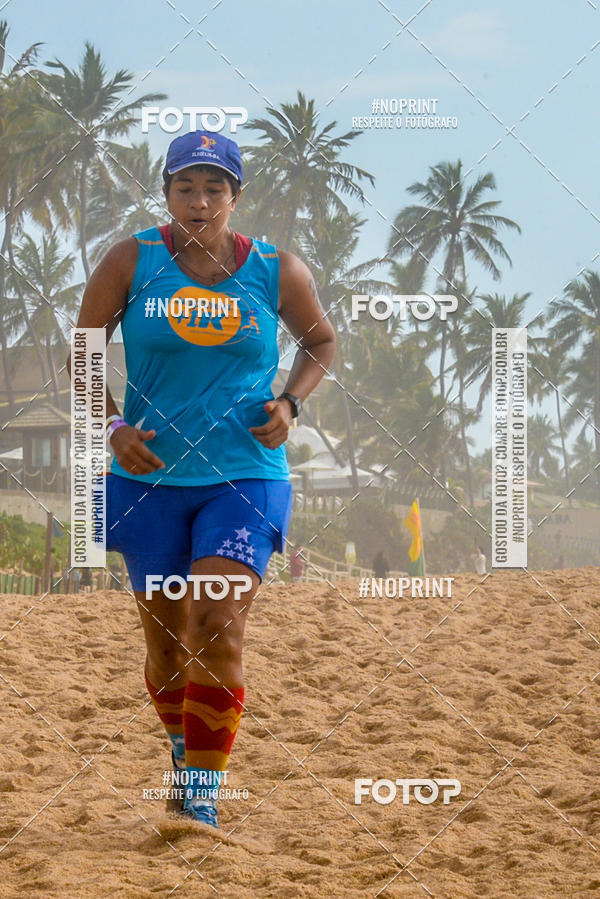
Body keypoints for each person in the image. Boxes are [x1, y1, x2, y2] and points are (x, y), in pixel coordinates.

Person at [67, 130, 335, 828]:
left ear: (235, 196)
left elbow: (322, 340)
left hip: (245, 475)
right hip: (148, 478)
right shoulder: (133, 259)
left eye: (214, 187)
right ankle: (185, 757)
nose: (199, 199)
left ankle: (205, 797)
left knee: (216, 623)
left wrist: (291, 401)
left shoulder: (276, 269)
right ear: (166, 193)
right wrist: (113, 428)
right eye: (185, 185)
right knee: (164, 643)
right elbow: (84, 350)